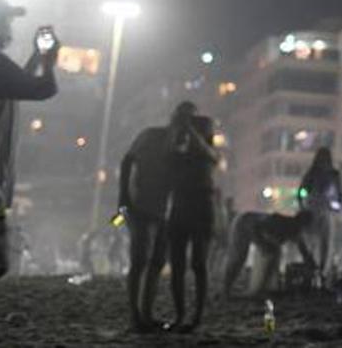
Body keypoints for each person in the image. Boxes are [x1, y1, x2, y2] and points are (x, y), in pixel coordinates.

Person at [0, 0, 58, 289]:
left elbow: (15, 84)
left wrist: (37, 57)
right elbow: (42, 89)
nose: (9, 27)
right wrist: (50, 61)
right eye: (6, 20)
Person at [117, 116, 174, 330]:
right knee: (139, 260)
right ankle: (135, 315)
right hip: (140, 205)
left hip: (164, 210)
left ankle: (146, 314)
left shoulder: (184, 144)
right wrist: (123, 195)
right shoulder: (152, 135)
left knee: (157, 262)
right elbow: (127, 160)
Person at [166, 105, 219, 332]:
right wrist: (179, 128)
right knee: (177, 265)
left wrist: (188, 126)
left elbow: (207, 152)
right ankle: (180, 315)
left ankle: (196, 316)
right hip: (181, 205)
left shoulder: (207, 152)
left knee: (198, 264)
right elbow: (169, 152)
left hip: (200, 205)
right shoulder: (179, 148)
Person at [223, 209, 316, 295]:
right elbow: (255, 227)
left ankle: (265, 287)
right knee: (239, 257)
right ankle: (225, 290)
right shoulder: (279, 222)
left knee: (272, 252)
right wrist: (261, 243)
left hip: (253, 228)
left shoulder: (295, 230)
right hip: (243, 223)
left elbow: (303, 249)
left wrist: (310, 263)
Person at [299, 146, 342, 282]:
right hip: (315, 210)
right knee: (315, 243)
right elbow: (301, 191)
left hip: (322, 211)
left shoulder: (332, 175)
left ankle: (321, 272)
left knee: (323, 243)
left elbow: (339, 194)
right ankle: (315, 270)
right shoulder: (314, 174)